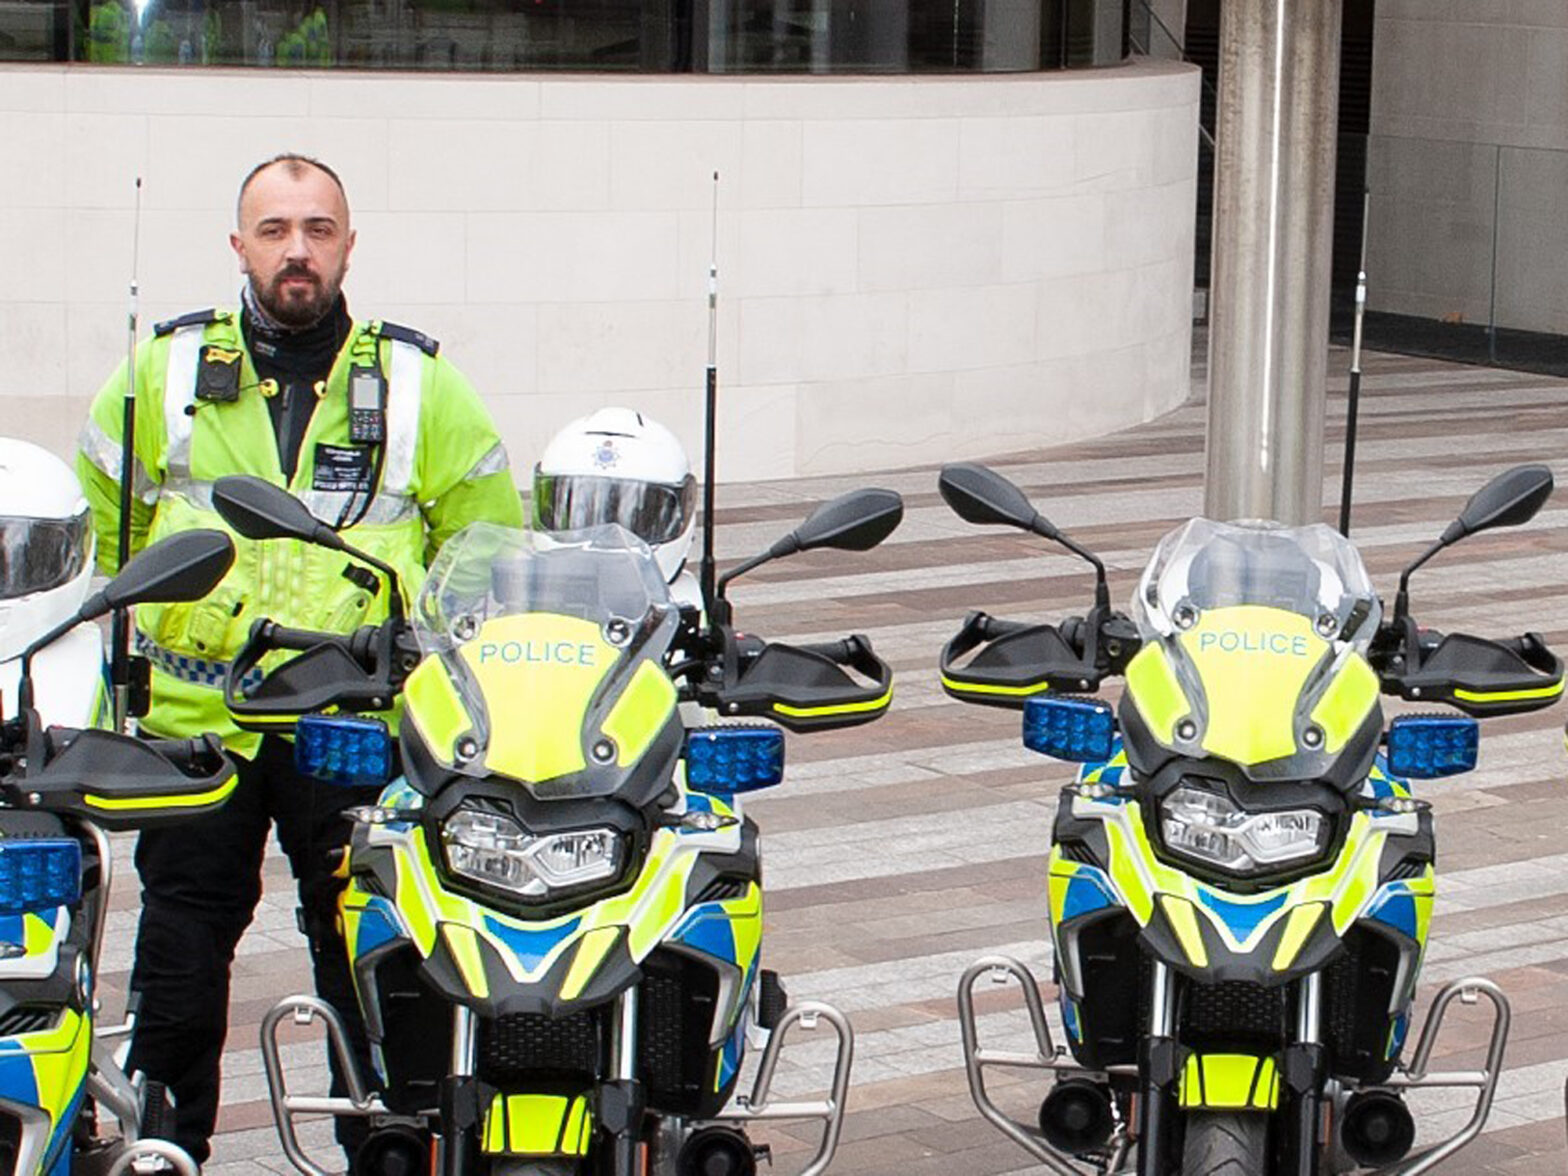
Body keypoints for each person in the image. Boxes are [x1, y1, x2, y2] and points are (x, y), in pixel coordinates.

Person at [75, 153, 523, 1167]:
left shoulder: (417, 382)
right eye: (274, 229)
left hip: (351, 728)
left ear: (348, 245)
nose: (297, 249)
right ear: (239, 245)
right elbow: (102, 531)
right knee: (179, 969)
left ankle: (386, 1150)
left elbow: (487, 546)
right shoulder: (162, 370)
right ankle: (164, 1151)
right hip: (200, 730)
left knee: (369, 961)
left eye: (317, 229)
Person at [531, 407, 700, 608]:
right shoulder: (526, 597)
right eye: (582, 511)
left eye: (639, 518)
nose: (602, 536)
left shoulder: (687, 606)